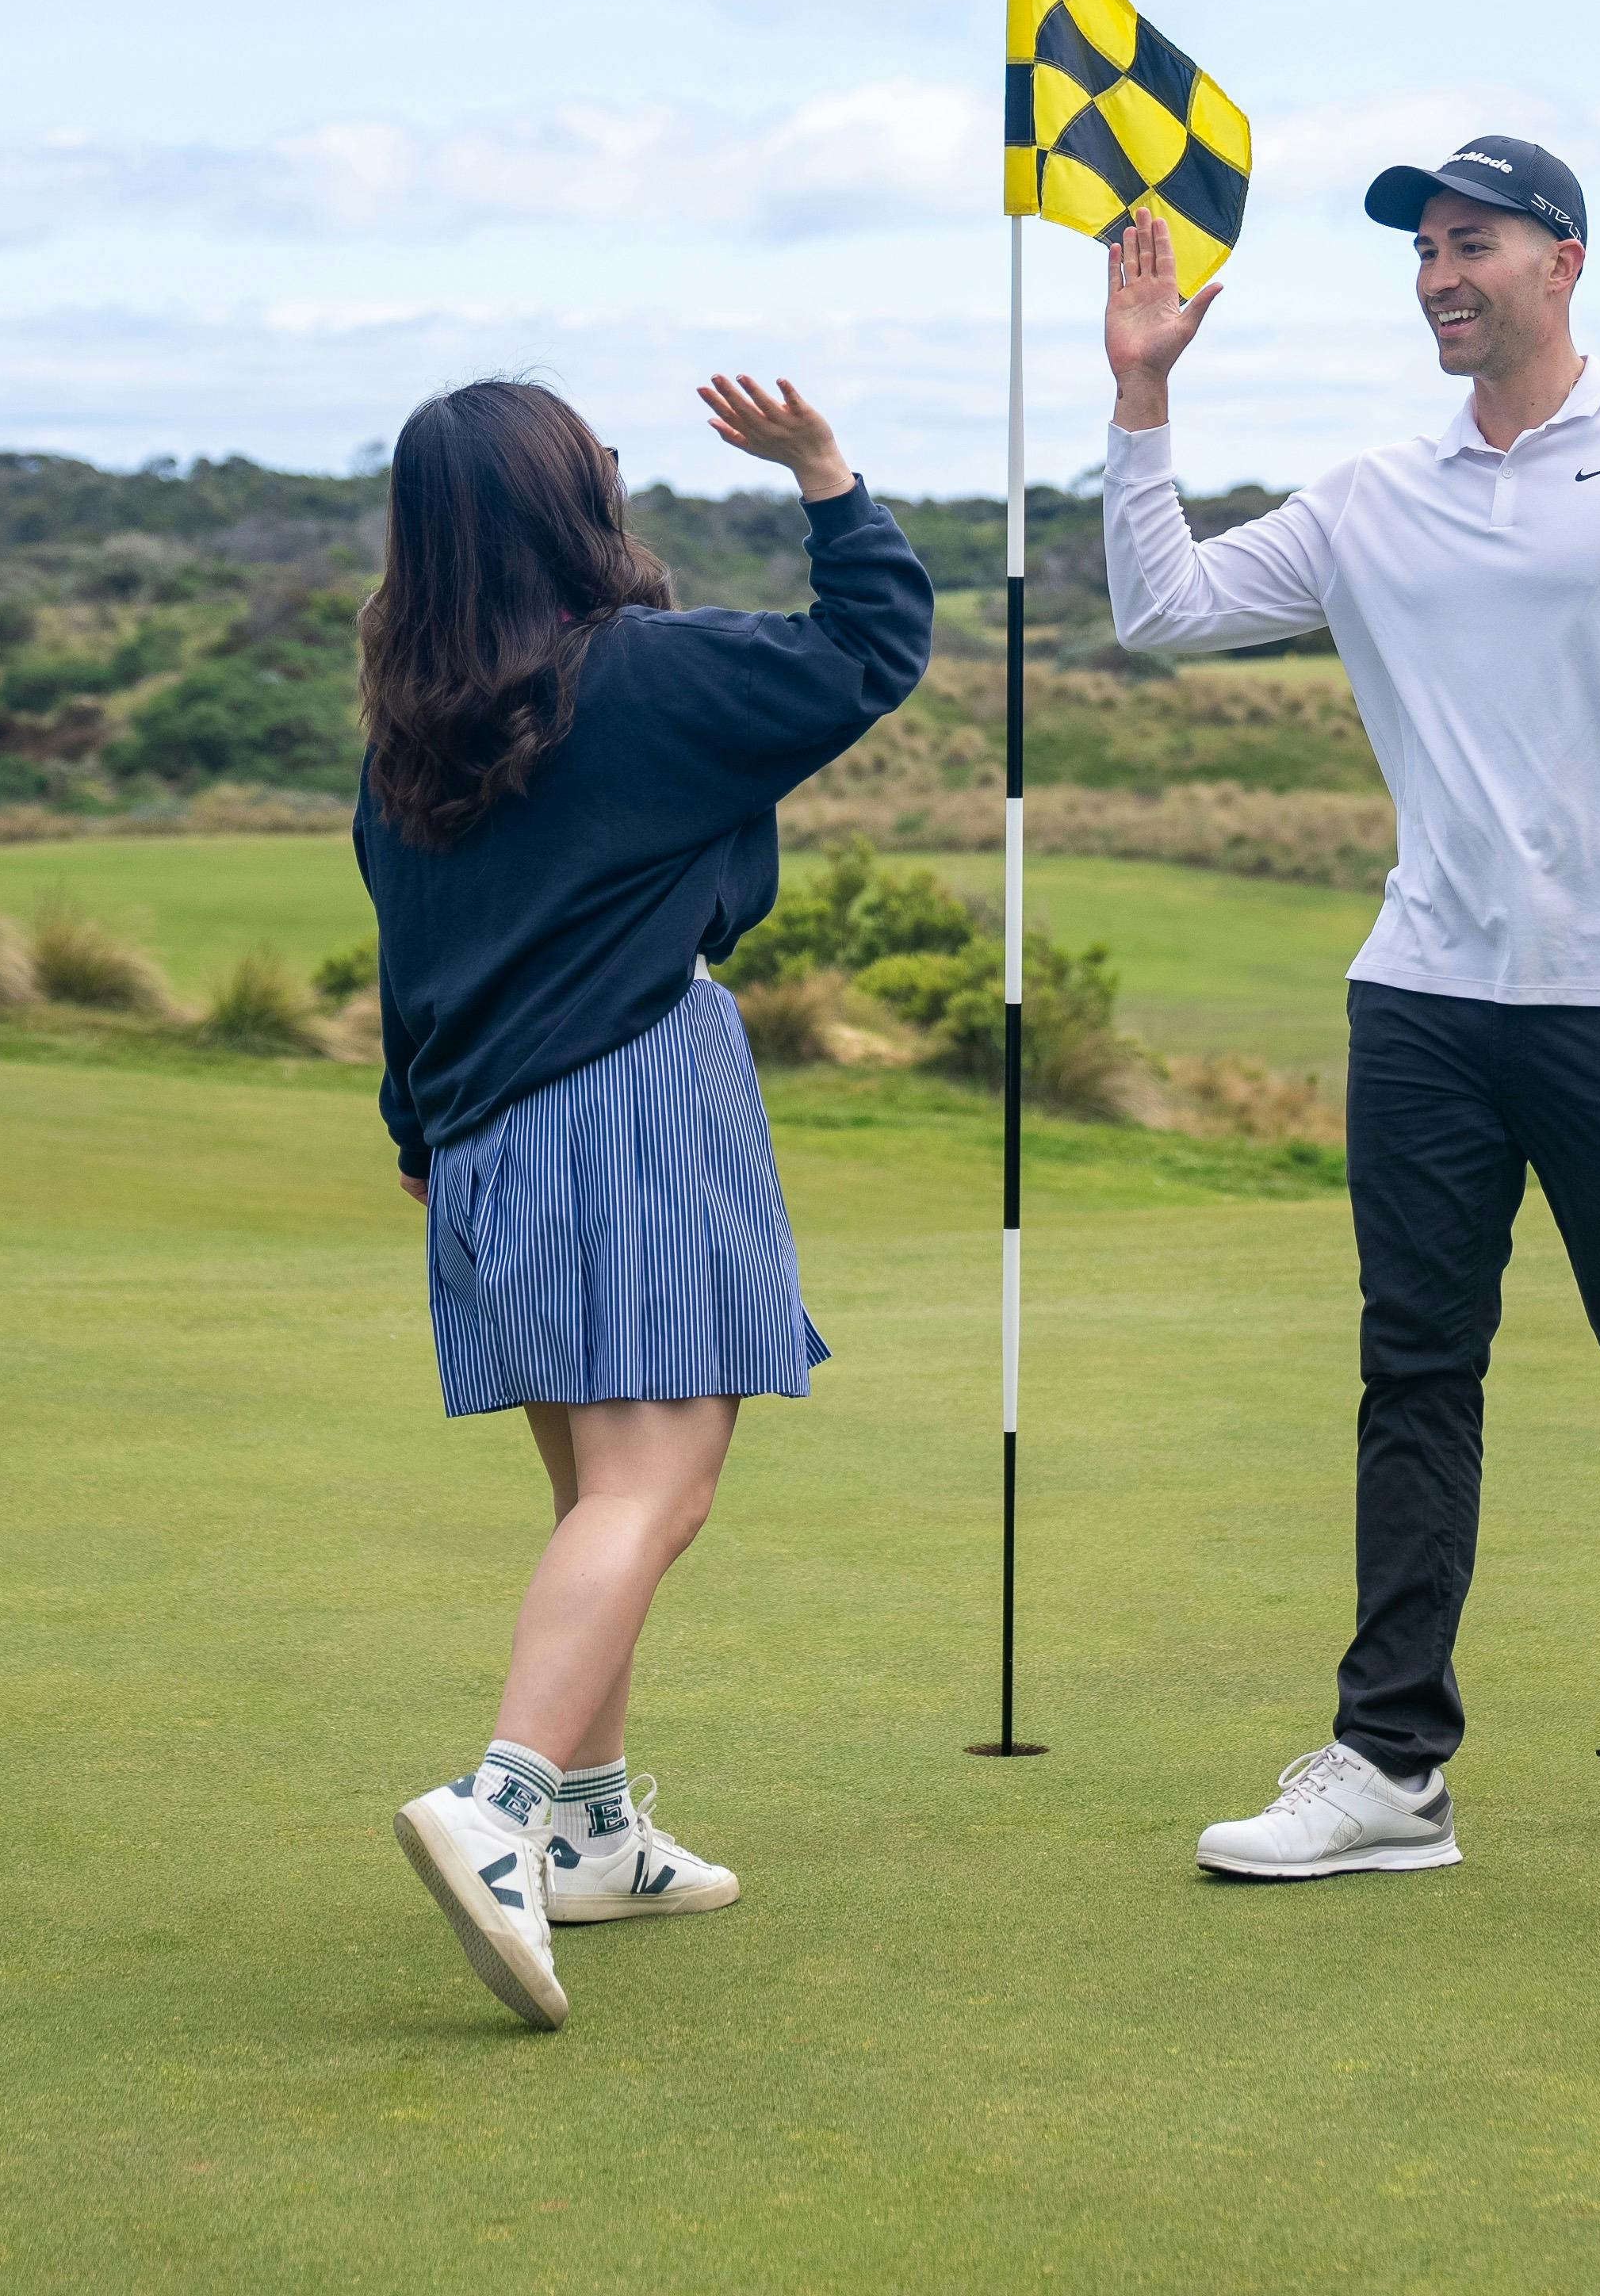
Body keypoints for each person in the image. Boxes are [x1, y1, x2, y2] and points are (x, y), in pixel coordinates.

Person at [1097, 136, 1600, 1880]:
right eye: (1423, 252)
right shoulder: (1371, 496)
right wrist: (1142, 400)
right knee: (1416, 1363)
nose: (1440, 274)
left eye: (1472, 243)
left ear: (1565, 258)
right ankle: (1393, 1758)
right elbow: (1158, 607)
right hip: (1422, 995)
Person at [364, 373, 931, 2028]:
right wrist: (827, 469)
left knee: (594, 1491)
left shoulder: (417, 726)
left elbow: (409, 966)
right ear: (573, 505)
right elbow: (868, 651)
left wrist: (419, 1124)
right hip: (628, 1099)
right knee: (659, 1488)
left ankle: (599, 1833)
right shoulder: (645, 674)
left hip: (479, 1137)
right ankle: (505, 1806)